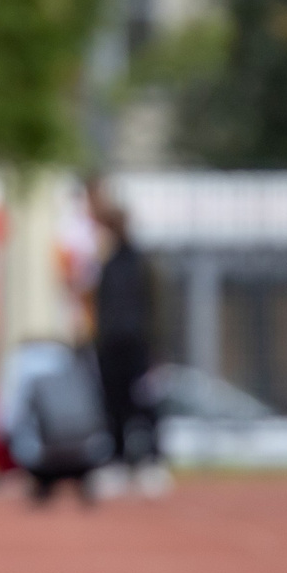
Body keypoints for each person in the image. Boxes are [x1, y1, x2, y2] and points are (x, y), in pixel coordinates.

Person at [90, 192, 163, 493]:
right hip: (110, 346)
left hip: (137, 346)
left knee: (144, 405)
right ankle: (118, 462)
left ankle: (151, 462)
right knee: (113, 405)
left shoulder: (141, 262)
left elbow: (154, 305)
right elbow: (100, 304)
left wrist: (155, 347)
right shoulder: (104, 264)